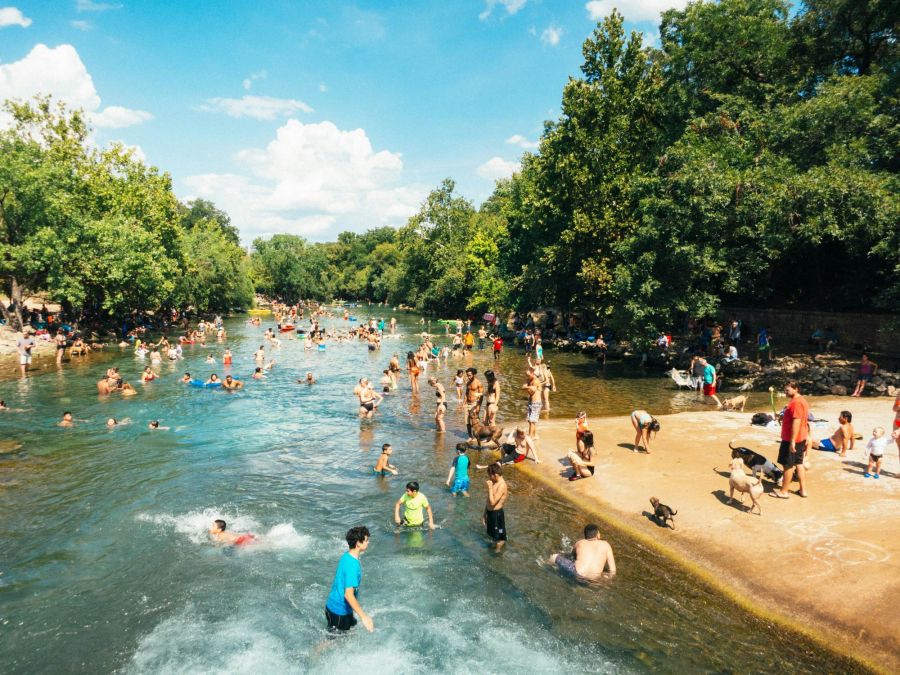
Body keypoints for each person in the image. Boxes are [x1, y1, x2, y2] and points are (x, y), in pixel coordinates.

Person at [771, 381, 810, 499]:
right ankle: (803, 490)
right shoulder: (801, 400)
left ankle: (784, 491)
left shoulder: (796, 403)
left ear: (796, 389)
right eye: (785, 390)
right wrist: (783, 417)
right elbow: (797, 418)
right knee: (799, 463)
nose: (785, 392)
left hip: (792, 439)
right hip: (800, 437)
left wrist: (792, 441)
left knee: (787, 465)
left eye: (787, 390)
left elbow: (797, 421)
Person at [549, 524, 616, 580]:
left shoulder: (580, 543)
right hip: (593, 580)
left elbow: (572, 557)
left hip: (576, 573)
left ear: (585, 536)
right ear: (598, 534)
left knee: (554, 557)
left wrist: (563, 554)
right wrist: (603, 576)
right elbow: (613, 571)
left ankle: (549, 569)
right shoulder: (606, 545)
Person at [483, 463, 508, 548]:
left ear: (495, 475)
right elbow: (488, 500)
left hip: (497, 514)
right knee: (492, 535)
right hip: (490, 513)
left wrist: (490, 487)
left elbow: (493, 502)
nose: (489, 478)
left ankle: (498, 552)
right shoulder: (494, 482)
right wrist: (484, 515)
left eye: (490, 476)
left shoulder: (502, 485)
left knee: (500, 539)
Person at [465, 368, 484, 441]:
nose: (468, 377)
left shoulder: (479, 383)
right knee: (467, 421)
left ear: (474, 374)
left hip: (475, 403)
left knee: (474, 421)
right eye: (467, 375)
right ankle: (470, 436)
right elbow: (466, 393)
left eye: (469, 375)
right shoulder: (468, 383)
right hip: (467, 403)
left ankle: (477, 436)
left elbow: (481, 396)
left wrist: (478, 406)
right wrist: (463, 404)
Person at [522, 368, 542, 439]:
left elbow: (532, 391)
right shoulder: (529, 380)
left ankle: (530, 437)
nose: (527, 376)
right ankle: (535, 435)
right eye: (526, 375)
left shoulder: (536, 381)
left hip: (536, 403)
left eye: (528, 375)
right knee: (529, 420)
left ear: (532, 373)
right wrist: (528, 386)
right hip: (531, 402)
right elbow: (523, 387)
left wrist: (527, 387)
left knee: (532, 420)